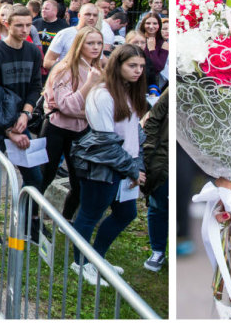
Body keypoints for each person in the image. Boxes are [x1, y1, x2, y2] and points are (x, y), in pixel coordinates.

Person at [68, 44, 147, 286]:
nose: (138, 71)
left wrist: (137, 165)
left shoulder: (129, 91)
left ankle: (97, 258)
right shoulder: (102, 94)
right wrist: (132, 169)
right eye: (132, 66)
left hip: (124, 165)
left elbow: (136, 134)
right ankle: (80, 263)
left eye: (141, 67)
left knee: (126, 213)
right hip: (102, 166)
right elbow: (104, 141)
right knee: (90, 214)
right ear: (117, 65)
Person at [0, 4, 44, 245]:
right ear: (7, 24)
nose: (25, 30)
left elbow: (36, 85)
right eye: (19, 25)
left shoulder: (34, 52)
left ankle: (29, 223)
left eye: (28, 25)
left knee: (34, 178)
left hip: (20, 122)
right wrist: (8, 131)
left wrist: (26, 114)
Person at [39, 26, 104, 221]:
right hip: (56, 129)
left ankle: (66, 220)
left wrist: (87, 113)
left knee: (79, 181)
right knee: (45, 176)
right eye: (90, 43)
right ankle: (30, 218)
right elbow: (67, 106)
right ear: (79, 45)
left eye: (99, 43)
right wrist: (88, 85)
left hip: (81, 131)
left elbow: (100, 105)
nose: (95, 47)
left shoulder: (98, 69)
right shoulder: (64, 69)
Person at [141, 90, 168, 273]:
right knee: (158, 204)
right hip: (163, 157)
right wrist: (149, 150)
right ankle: (158, 250)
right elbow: (153, 118)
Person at [43, 3, 101, 70]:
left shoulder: (98, 37)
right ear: (79, 16)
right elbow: (47, 62)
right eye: (88, 14)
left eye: (95, 15)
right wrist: (70, 68)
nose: (91, 18)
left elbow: (98, 63)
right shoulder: (65, 34)